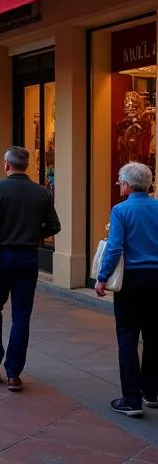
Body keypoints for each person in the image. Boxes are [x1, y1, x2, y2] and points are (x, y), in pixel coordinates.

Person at [0, 146, 61, 392]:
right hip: (28, 258)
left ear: (6, 165)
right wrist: (34, 235)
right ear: (28, 166)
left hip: (1, 256)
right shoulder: (42, 192)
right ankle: (14, 373)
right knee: (22, 315)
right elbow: (54, 225)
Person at [95, 161, 158, 418]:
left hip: (132, 280)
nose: (119, 185)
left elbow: (114, 247)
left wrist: (101, 278)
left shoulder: (120, 210)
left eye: (120, 181)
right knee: (154, 336)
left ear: (127, 185)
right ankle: (151, 392)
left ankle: (131, 398)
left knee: (128, 337)